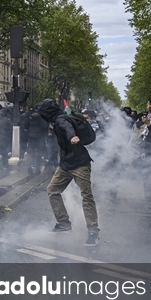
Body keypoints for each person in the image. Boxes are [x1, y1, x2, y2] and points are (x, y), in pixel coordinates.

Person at [36, 98, 100, 246]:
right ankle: (64, 223)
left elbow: (67, 127)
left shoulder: (60, 120)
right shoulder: (58, 119)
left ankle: (93, 232)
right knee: (52, 190)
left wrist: (72, 136)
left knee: (87, 196)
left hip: (80, 164)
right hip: (65, 164)